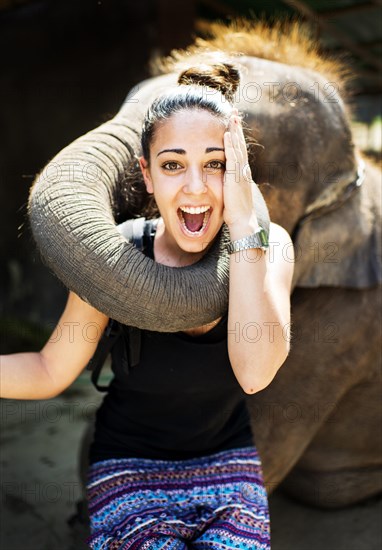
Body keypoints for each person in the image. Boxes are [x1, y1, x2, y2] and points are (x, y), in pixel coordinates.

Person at [1, 62, 294, 549]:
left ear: (240, 170)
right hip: (130, 461)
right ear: (148, 174)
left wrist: (246, 231)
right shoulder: (118, 255)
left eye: (216, 164)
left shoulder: (271, 247)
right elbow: (52, 369)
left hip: (226, 460)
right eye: (174, 164)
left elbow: (255, 373)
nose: (195, 187)